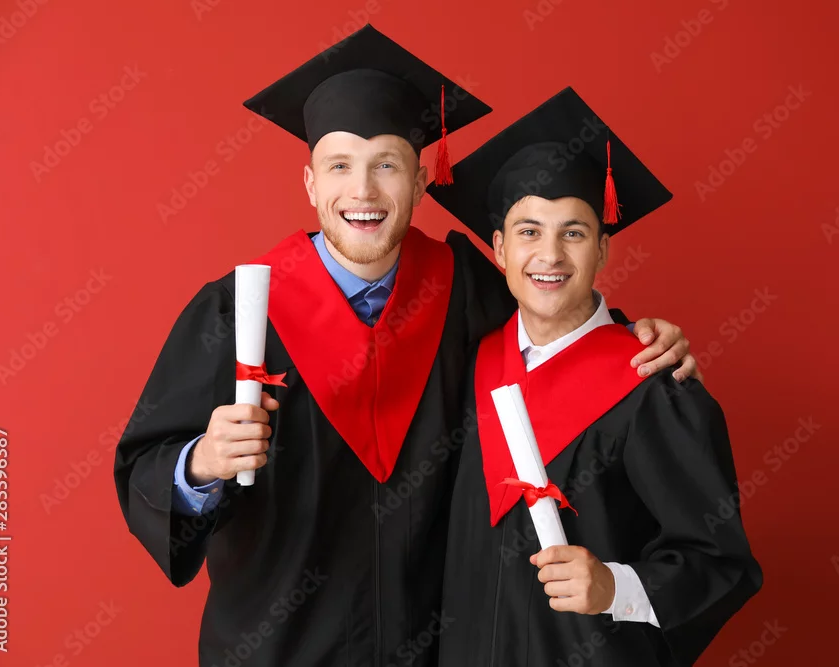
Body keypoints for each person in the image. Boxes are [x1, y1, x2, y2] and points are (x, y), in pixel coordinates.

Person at [113, 26, 700, 667]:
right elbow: (146, 467)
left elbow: (552, 325)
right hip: (274, 647)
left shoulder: (463, 289)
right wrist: (201, 464)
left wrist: (635, 336)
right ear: (310, 184)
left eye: (387, 165)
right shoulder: (236, 312)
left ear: (421, 182)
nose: (363, 191)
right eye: (340, 166)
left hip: (431, 646)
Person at [427, 87, 762, 667]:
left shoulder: (654, 385)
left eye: (574, 233)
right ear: (500, 249)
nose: (550, 255)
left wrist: (616, 586)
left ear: (603, 250)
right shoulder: (466, 366)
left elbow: (720, 563)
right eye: (528, 231)